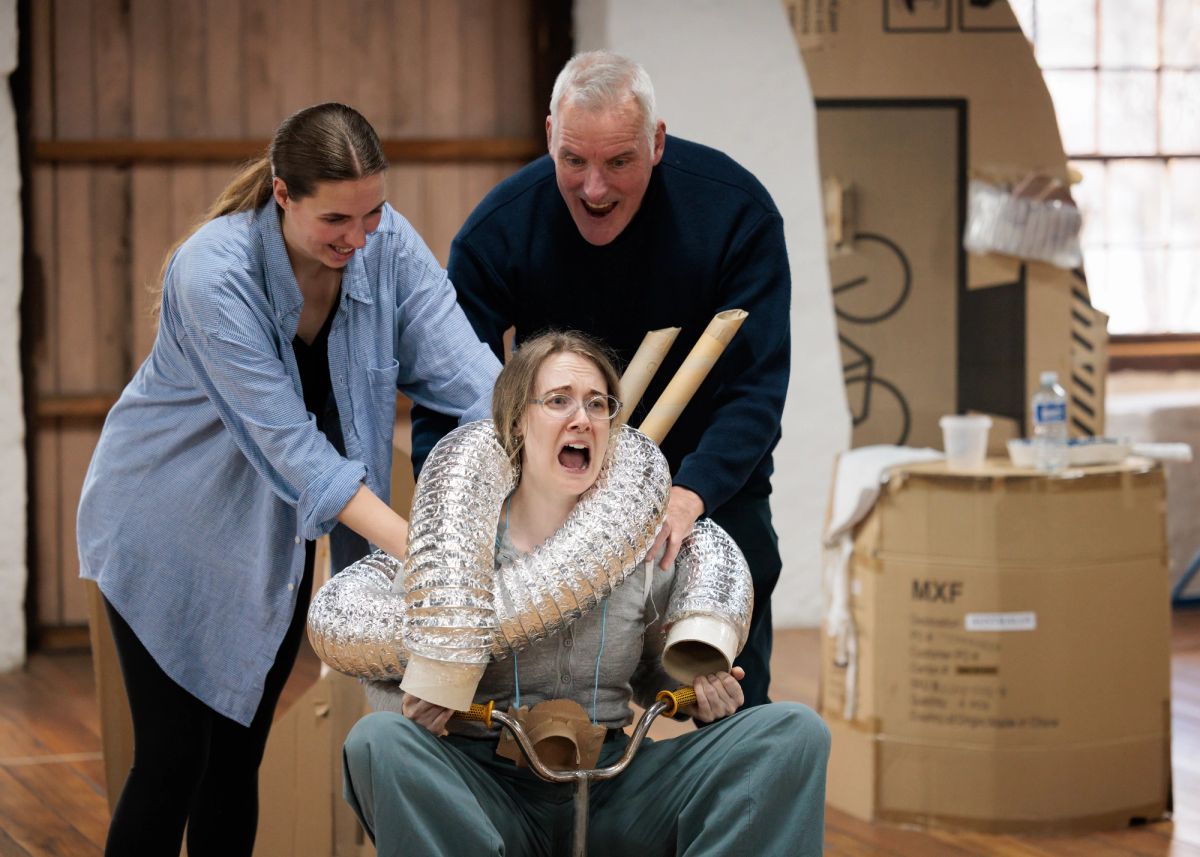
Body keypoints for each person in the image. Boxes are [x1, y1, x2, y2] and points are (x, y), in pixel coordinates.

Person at [76, 103, 501, 857]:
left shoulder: (383, 240)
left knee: (237, 759)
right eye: (336, 219)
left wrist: (543, 437)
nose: (358, 237)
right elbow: (295, 453)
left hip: (268, 539)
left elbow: (468, 374)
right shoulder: (211, 273)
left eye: (372, 211)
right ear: (282, 194)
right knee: (173, 760)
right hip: (162, 524)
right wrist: (427, 552)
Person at [343, 331, 829, 856]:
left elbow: (652, 676)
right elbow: (388, 668)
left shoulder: (635, 542)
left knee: (793, 733)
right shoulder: (459, 538)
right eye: (558, 401)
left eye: (597, 404)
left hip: (613, 783)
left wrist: (703, 694)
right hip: (487, 786)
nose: (582, 418)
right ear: (515, 423)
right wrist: (410, 711)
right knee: (377, 742)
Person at [411, 50, 790, 709]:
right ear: (549, 135)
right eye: (573, 161)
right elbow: (447, 400)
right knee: (534, 697)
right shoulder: (499, 232)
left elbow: (754, 392)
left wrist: (689, 496)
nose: (594, 188)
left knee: (731, 691)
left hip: (704, 484)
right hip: (557, 485)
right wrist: (463, 531)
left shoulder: (736, 215)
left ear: (658, 142)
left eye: (620, 161)